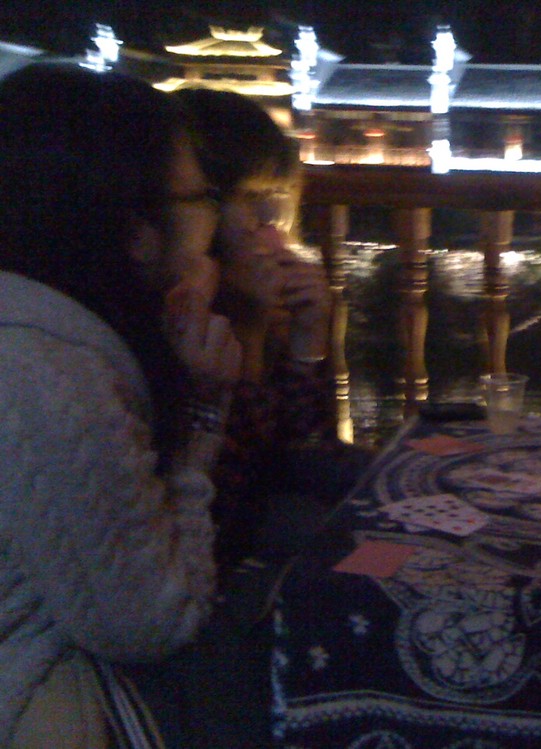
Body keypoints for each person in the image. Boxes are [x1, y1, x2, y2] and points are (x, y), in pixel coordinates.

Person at [0, 64, 241, 746]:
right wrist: (204, 414)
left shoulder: (45, 334)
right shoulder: (50, 378)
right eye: (204, 198)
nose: (220, 222)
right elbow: (154, 622)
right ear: (137, 232)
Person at [172, 88, 372, 571]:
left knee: (369, 477)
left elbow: (308, 451)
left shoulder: (253, 298)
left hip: (254, 515)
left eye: (277, 206)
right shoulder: (177, 318)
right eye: (254, 204)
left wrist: (308, 344)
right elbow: (234, 491)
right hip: (207, 553)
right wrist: (251, 332)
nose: (274, 235)